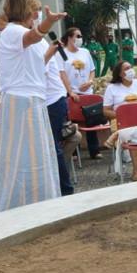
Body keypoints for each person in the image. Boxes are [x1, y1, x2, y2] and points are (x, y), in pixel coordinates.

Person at [0, 0, 66, 212]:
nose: (37, 13)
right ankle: (23, 206)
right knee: (24, 157)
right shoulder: (12, 32)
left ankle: (39, 202)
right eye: (35, 9)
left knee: (37, 155)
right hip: (21, 101)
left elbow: (34, 66)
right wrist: (48, 22)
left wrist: (50, 53)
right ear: (26, 10)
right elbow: (32, 38)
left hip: (33, 99)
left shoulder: (24, 33)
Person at [103, 61, 137, 181]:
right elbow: (106, 111)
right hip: (122, 122)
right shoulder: (112, 88)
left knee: (133, 130)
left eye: (131, 67)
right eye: (127, 68)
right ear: (120, 74)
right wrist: (123, 114)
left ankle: (115, 136)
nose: (131, 70)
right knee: (131, 131)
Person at [58, 27, 102, 160]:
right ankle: (74, 152)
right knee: (72, 122)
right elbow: (62, 73)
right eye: (77, 36)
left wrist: (90, 81)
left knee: (91, 121)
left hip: (87, 92)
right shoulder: (62, 53)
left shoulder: (85, 52)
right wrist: (70, 91)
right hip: (72, 93)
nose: (80, 39)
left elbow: (92, 70)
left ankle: (94, 150)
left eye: (80, 36)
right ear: (70, 38)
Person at [43, 39, 75, 196]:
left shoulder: (40, 45)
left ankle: (65, 190)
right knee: (50, 147)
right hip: (50, 101)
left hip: (52, 101)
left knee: (53, 147)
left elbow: (38, 70)